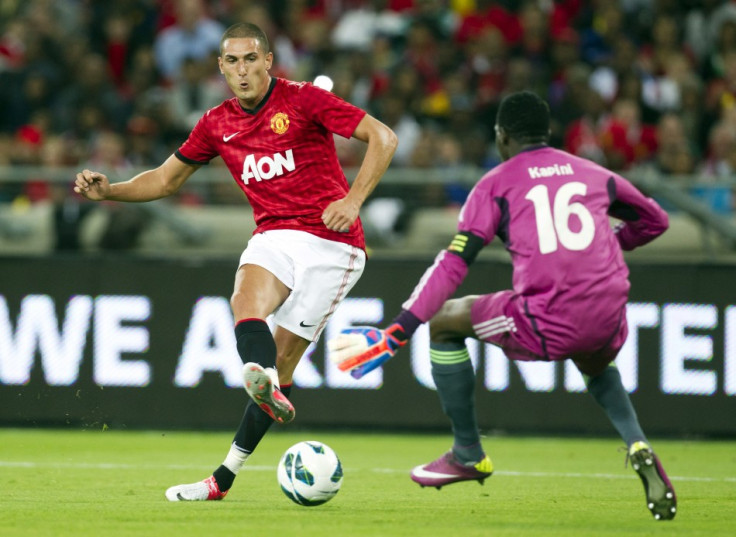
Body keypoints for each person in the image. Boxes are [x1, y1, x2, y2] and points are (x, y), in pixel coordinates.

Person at [74, 22, 397, 501]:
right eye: (232, 61)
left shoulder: (304, 99)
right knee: (245, 296)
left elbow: (383, 137)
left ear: (268, 61)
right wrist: (111, 192)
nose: (242, 70)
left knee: (284, 362)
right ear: (220, 67)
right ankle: (262, 380)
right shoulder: (215, 123)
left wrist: (353, 200)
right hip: (274, 235)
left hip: (334, 243)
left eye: (251, 59)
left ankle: (224, 474)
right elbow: (165, 181)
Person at [328, 91, 677, 521]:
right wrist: (607, 246)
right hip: (609, 314)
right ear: (546, 133)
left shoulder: (495, 185)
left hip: (548, 318)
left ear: (501, 136)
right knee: (597, 365)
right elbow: (656, 221)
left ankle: (467, 452)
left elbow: (453, 265)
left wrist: (399, 330)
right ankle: (637, 442)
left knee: (445, 321)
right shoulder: (594, 173)